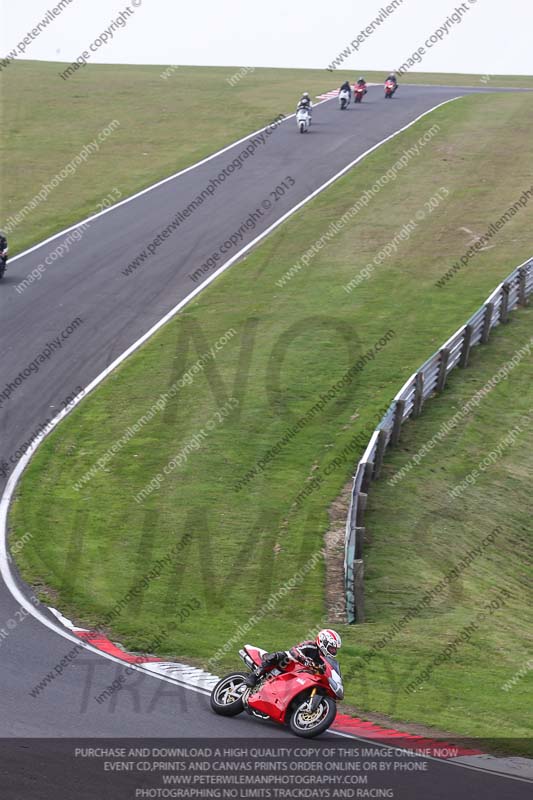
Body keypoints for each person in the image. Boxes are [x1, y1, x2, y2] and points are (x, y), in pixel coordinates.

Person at [244, 629, 342, 688]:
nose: (333, 651)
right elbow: (294, 650)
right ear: (323, 642)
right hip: (291, 665)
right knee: (281, 656)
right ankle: (254, 675)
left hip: (301, 676)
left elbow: (325, 671)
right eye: (332, 648)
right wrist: (304, 659)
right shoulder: (311, 645)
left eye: (334, 649)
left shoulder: (324, 660)